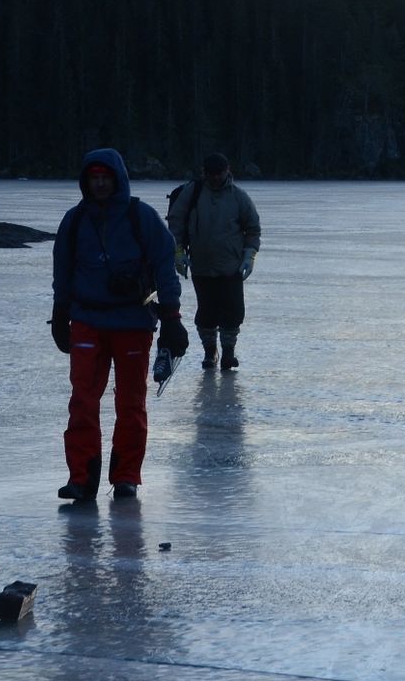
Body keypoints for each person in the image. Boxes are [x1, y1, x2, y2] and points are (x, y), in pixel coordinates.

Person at [50, 149, 188, 501]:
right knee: (83, 399)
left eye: (105, 178)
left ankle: (126, 476)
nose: (99, 184)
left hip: (132, 322)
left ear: (117, 179)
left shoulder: (141, 217)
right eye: (93, 178)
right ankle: (81, 478)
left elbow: (165, 267)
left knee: (131, 402)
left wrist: (172, 318)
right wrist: (60, 313)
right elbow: (62, 271)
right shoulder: (75, 221)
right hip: (86, 321)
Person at [169, 151, 261, 371]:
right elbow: (176, 223)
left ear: (227, 171)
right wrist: (178, 252)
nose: (216, 178)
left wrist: (250, 255)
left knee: (234, 311)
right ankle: (210, 352)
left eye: (219, 173)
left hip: (232, 267)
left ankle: (228, 353)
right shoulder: (192, 192)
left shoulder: (238, 197)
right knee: (207, 312)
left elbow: (253, 228)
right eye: (211, 174)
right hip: (201, 266)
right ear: (204, 173)